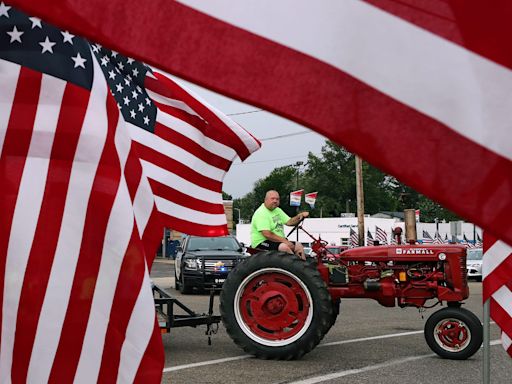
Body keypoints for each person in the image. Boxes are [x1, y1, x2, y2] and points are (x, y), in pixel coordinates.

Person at [250, 190, 309, 259]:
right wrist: (285, 241)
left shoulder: (277, 210)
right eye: (272, 198)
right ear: (265, 200)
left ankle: (302, 266)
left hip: (277, 241)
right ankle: (294, 267)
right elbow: (267, 234)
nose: (275, 201)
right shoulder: (261, 213)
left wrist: (299, 216)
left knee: (298, 245)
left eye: (277, 199)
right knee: (284, 247)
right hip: (262, 242)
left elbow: (289, 222)